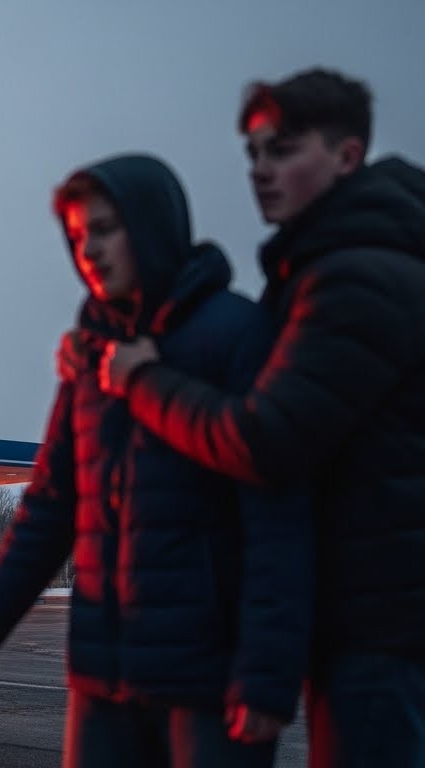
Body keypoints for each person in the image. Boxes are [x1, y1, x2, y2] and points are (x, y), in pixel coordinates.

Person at [94, 69, 425, 767]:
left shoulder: (355, 275)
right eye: (251, 154)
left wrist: (146, 379)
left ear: (345, 155)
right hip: (369, 617)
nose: (259, 171)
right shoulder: (321, 266)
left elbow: (263, 441)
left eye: (282, 150)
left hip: (378, 626)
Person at [0, 154, 314, 767]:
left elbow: (279, 523)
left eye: (105, 228)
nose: (89, 248)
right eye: (78, 235)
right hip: (103, 678)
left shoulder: (238, 333)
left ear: (151, 224)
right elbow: (50, 508)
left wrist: (268, 676)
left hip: (210, 684)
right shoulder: (90, 356)